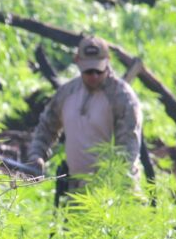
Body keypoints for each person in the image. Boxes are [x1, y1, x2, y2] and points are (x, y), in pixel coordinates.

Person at [28, 35, 142, 191]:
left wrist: (116, 187)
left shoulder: (122, 98)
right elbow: (46, 128)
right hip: (76, 191)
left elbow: (128, 150)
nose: (94, 76)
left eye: (98, 70)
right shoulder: (67, 93)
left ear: (108, 60)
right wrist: (36, 155)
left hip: (112, 192)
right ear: (77, 62)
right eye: (89, 71)